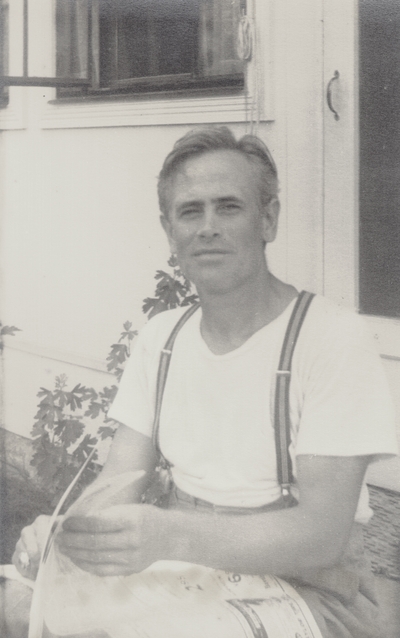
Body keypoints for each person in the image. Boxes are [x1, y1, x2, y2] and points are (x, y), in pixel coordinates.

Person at [13, 126, 397, 638]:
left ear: (269, 219)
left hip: (312, 593)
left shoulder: (328, 337)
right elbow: (119, 480)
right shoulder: (162, 339)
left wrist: (170, 535)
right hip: (192, 576)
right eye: (190, 211)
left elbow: (322, 535)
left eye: (229, 207)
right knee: (18, 605)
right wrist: (68, 534)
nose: (207, 227)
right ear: (169, 230)